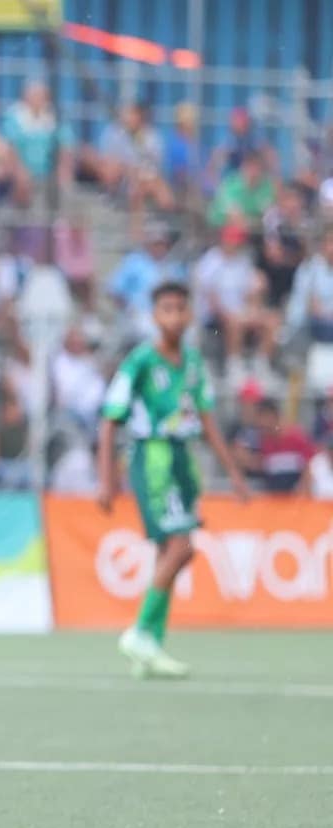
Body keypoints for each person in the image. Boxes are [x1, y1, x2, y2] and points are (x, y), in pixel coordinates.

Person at [97, 282, 250, 679]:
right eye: (166, 308)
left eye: (181, 308)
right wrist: (105, 479)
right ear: (154, 315)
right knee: (181, 548)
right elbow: (110, 419)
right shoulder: (140, 361)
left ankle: (150, 647)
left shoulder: (194, 362)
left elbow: (208, 420)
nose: (174, 316)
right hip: (154, 460)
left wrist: (233, 473)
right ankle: (140, 633)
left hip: (184, 462)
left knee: (176, 551)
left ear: (190, 314)